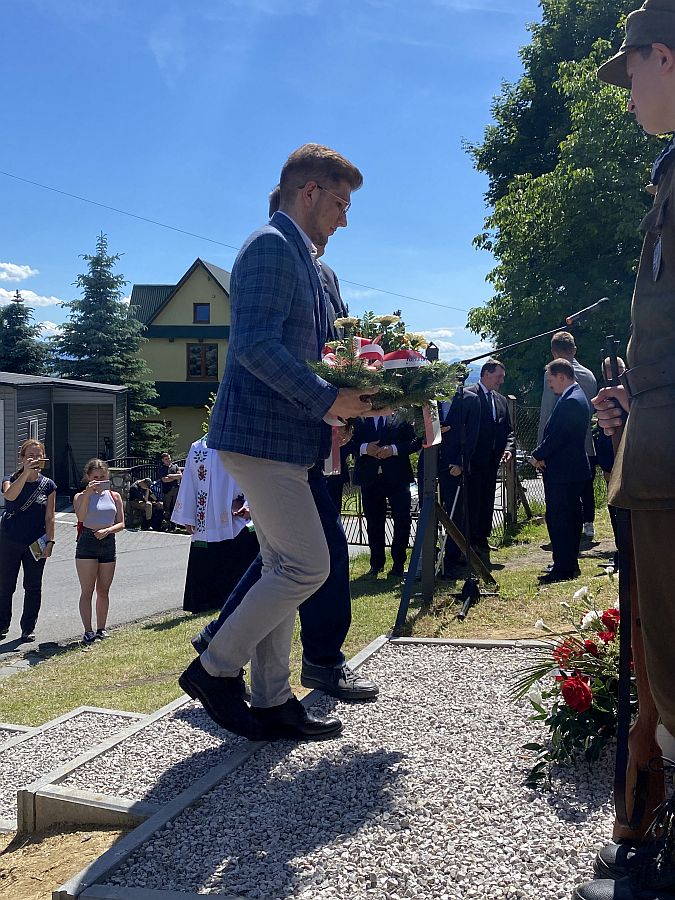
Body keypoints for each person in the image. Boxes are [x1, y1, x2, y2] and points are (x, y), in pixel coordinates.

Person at [178, 143, 376, 742]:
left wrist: (346, 402)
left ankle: (271, 700)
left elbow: (309, 353)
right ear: (309, 192)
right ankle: (214, 668)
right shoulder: (269, 245)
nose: (344, 219)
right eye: (340, 203)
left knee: (280, 567)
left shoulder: (300, 256)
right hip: (260, 437)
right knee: (308, 566)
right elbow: (254, 346)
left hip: (285, 440)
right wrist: (327, 400)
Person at [573, 4, 675, 898]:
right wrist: (638, 405)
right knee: (665, 661)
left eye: (630, 68)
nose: (626, 89)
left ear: (665, 58)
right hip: (660, 452)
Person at [171, 436, 260, 614]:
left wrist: (250, 505)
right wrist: (188, 515)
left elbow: (255, 476)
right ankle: (206, 602)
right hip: (207, 517)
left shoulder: (242, 441)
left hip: (237, 515)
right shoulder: (198, 447)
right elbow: (189, 480)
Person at [530, 359, 591, 584]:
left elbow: (558, 436)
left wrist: (537, 455)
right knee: (569, 518)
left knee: (561, 520)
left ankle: (564, 567)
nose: (550, 384)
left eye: (551, 380)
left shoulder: (571, 401)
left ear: (562, 376)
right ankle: (567, 562)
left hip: (564, 472)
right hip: (570, 470)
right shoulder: (573, 396)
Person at [538, 331, 598, 538]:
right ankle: (588, 522)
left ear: (554, 352)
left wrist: (541, 449)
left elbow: (547, 411)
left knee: (560, 498)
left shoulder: (553, 374)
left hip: (559, 448)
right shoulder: (589, 375)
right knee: (585, 487)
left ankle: (564, 535)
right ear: (574, 349)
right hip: (586, 443)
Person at [349, 414, 421, 578]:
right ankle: (376, 564)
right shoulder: (359, 417)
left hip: (398, 478)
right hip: (370, 479)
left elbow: (415, 442)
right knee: (373, 522)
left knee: (402, 520)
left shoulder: (402, 415)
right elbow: (347, 442)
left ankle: (398, 564)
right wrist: (365, 448)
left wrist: (393, 450)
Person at [0, 440, 56, 642]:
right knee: (5, 585)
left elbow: (50, 517)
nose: (35, 459)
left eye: (39, 455)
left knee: (33, 586)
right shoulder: (9, 479)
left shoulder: (48, 485)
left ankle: (28, 628)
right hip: (9, 539)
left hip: (36, 542)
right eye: (30, 455)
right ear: (22, 458)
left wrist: (50, 541)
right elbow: (10, 496)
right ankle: (2, 624)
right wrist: (25, 474)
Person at [465, 360, 515, 564]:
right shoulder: (469, 395)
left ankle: (482, 539)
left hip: (492, 462)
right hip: (473, 462)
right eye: (498, 376)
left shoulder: (501, 400)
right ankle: (470, 541)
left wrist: (508, 449)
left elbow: (508, 430)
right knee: (472, 502)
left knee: (487, 501)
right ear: (485, 374)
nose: (501, 381)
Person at [73, 459, 125, 645]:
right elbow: (80, 517)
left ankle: (101, 628)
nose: (99, 480)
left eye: (102, 477)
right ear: (88, 477)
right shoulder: (80, 496)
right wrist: (88, 494)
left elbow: (121, 523)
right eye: (95, 477)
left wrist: (108, 530)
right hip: (87, 540)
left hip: (108, 541)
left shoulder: (114, 496)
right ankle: (88, 631)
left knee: (103, 590)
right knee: (87, 590)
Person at [437, 389, 481, 576]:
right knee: (428, 513)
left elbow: (472, 436)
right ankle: (429, 559)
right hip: (431, 464)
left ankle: (452, 560)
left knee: (455, 515)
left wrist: (461, 463)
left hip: (454, 466)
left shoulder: (470, 400)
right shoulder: (428, 397)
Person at [158, 452, 182, 528]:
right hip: (167, 491)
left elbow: (180, 475)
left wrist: (170, 476)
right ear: (163, 460)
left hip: (176, 489)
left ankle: (174, 525)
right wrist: (174, 477)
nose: (168, 460)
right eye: (166, 459)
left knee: (175, 508)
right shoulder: (162, 469)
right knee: (167, 508)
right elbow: (165, 480)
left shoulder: (175, 466)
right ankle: (167, 525)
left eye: (169, 458)